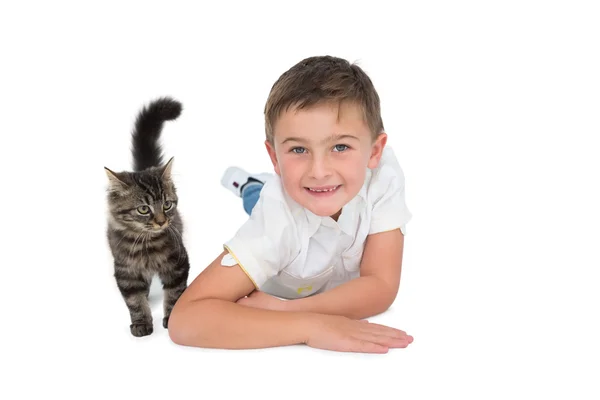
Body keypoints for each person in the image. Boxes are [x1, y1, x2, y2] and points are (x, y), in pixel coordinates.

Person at [168, 55, 414, 353]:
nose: (319, 170)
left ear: (374, 151)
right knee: (258, 197)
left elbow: (381, 285)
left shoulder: (383, 175)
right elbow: (186, 319)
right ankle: (247, 184)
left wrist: (289, 311)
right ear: (275, 158)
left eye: (340, 147)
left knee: (298, 189)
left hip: (302, 195)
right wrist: (310, 328)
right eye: (298, 149)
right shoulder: (276, 221)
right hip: (278, 202)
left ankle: (259, 182)